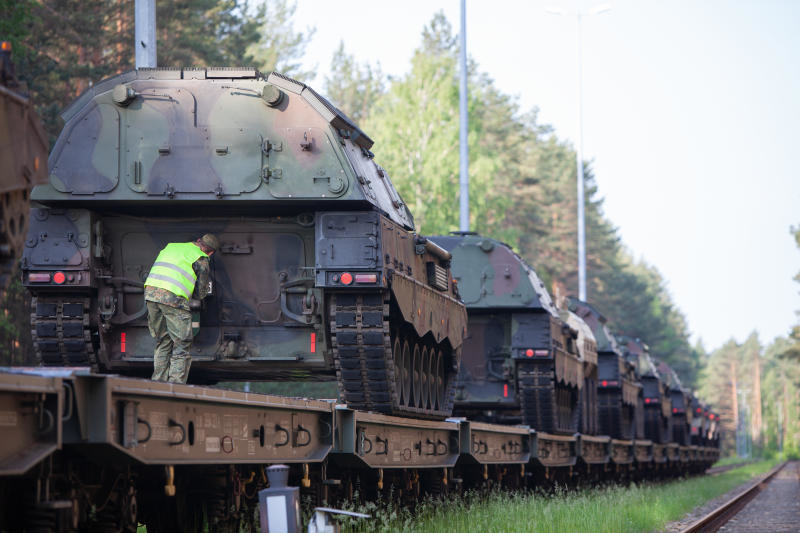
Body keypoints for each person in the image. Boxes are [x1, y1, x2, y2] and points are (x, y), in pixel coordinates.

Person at [144, 234, 220, 383]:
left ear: (198, 240)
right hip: (173, 298)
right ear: (210, 252)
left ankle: (158, 382)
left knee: (163, 340)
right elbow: (201, 292)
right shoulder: (201, 258)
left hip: (151, 296)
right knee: (182, 342)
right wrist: (197, 297)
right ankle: (176, 385)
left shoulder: (172, 246)